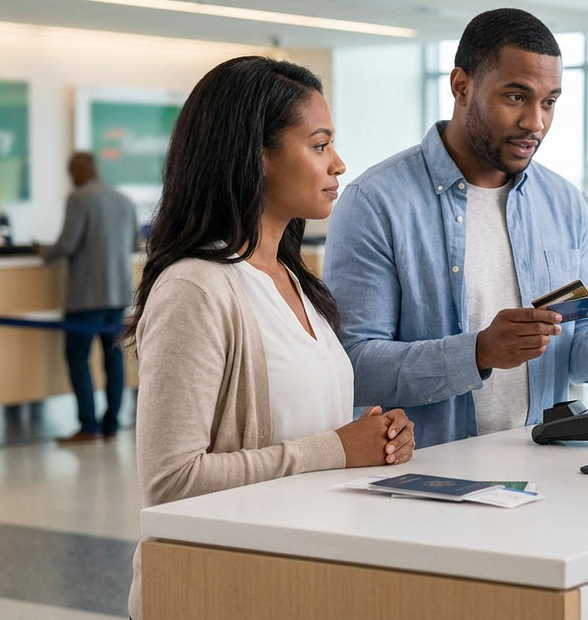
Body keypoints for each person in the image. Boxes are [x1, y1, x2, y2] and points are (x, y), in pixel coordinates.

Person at [125, 56, 415, 620]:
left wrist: (377, 440)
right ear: (255, 156)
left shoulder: (291, 277)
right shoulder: (197, 287)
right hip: (221, 592)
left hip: (296, 579)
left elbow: (313, 429)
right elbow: (171, 482)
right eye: (319, 145)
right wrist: (338, 448)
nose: (338, 164)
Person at [324, 8, 588, 447]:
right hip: (422, 483)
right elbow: (352, 367)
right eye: (516, 97)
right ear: (461, 86)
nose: (535, 122)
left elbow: (572, 352)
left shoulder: (562, 203)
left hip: (539, 472)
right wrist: (478, 352)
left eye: (549, 102)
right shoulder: (376, 202)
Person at [37, 152, 139, 443]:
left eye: (71, 172)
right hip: (118, 293)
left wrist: (45, 253)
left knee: (78, 357)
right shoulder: (123, 199)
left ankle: (88, 426)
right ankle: (112, 424)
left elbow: (67, 244)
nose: (71, 178)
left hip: (86, 295)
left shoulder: (79, 198)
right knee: (113, 359)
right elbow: (133, 243)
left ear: (80, 170)